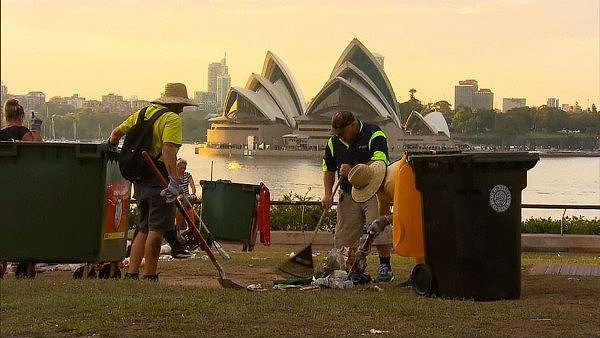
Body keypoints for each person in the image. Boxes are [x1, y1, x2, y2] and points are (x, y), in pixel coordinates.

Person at [108, 83, 196, 281]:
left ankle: (131, 273)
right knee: (157, 229)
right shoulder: (171, 119)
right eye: (182, 105)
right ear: (177, 104)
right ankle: (149, 274)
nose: (182, 109)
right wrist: (174, 181)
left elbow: (115, 134)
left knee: (143, 227)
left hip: (140, 177)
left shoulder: (143, 113)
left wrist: (111, 147)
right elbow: (168, 150)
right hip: (159, 178)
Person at [321, 110, 394, 282]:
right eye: (337, 134)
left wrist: (353, 169)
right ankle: (356, 268)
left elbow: (380, 161)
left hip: (373, 190)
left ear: (353, 125)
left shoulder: (374, 133)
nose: (340, 137)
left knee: (377, 229)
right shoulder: (333, 142)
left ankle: (385, 266)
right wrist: (327, 194)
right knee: (344, 236)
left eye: (342, 133)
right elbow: (328, 169)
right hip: (347, 193)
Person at [350, 159, 425, 288]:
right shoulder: (382, 187)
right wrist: (368, 239)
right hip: (420, 197)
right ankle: (421, 274)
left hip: (426, 196)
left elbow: (407, 213)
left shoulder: (391, 182)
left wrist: (384, 221)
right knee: (417, 235)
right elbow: (382, 216)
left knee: (418, 235)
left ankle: (423, 275)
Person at [1, 99, 43, 278]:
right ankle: (29, 265)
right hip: (26, 183)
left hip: (5, 184)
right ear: (22, 115)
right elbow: (36, 149)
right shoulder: (23, 131)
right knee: (29, 223)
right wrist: (36, 129)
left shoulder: (1, 133)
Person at [174, 157, 197, 231]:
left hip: (186, 197)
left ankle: (190, 228)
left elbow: (192, 185)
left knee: (186, 205)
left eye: (184, 168)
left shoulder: (187, 175)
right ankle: (178, 229)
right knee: (181, 208)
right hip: (177, 197)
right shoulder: (173, 176)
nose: (183, 169)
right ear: (177, 167)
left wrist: (193, 193)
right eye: (181, 168)